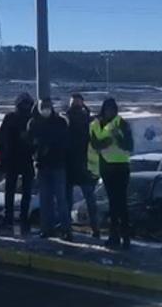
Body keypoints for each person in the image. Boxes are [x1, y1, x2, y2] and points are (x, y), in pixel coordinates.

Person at [90, 98, 134, 249]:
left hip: (121, 167)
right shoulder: (95, 124)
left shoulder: (121, 123)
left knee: (120, 203)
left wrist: (117, 137)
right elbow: (94, 143)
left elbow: (129, 145)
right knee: (113, 203)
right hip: (106, 167)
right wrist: (105, 142)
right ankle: (114, 236)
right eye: (107, 109)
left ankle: (125, 237)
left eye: (113, 109)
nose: (110, 112)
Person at [28, 98, 71, 240]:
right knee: (45, 200)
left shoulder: (59, 122)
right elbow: (30, 143)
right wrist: (38, 151)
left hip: (58, 165)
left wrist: (51, 148)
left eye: (48, 106)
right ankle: (46, 228)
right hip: (42, 166)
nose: (46, 109)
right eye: (43, 107)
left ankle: (65, 229)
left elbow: (65, 143)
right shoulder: (33, 123)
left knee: (61, 199)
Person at [0, 92, 35, 234]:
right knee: (13, 190)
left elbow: (35, 138)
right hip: (15, 158)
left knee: (21, 191)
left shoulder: (29, 119)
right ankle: (13, 216)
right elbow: (4, 139)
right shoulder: (12, 118)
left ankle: (18, 216)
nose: (26, 106)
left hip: (22, 158)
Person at [65, 94, 100, 239]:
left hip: (83, 166)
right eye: (75, 105)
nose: (76, 108)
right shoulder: (68, 121)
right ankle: (67, 228)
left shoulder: (87, 121)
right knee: (69, 201)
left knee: (89, 201)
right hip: (72, 166)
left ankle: (93, 228)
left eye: (78, 105)